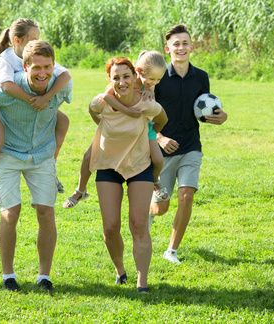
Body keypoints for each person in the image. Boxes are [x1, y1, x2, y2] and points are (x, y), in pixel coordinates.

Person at [0, 40, 73, 292]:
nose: (42, 73)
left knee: (47, 213)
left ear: (53, 66)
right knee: (10, 213)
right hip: (8, 155)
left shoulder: (61, 86)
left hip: (42, 156)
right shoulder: (8, 87)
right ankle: (8, 276)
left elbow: (63, 113)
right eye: (36, 67)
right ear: (24, 66)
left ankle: (44, 276)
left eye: (47, 67)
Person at [0, 18, 71, 209]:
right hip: (2, 103)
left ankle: (52, 164)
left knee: (63, 121)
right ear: (17, 40)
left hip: (29, 106)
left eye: (38, 39)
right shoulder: (7, 58)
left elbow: (65, 75)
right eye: (32, 39)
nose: (35, 43)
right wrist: (32, 100)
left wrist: (46, 97)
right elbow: (7, 86)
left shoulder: (37, 56)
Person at [150, 24, 228, 264]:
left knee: (186, 196)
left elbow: (205, 108)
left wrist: (220, 117)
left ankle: (171, 250)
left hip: (191, 146)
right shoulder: (159, 76)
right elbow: (147, 114)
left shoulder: (201, 77)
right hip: (163, 150)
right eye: (176, 44)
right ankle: (150, 211)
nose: (181, 47)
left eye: (185, 43)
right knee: (161, 208)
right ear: (168, 48)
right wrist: (160, 138)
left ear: (191, 47)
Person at [88, 55, 168, 293]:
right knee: (110, 227)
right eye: (116, 77)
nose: (122, 81)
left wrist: (149, 131)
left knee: (139, 224)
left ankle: (142, 282)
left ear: (134, 77)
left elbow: (162, 118)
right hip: (109, 165)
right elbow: (94, 112)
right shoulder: (102, 101)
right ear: (109, 80)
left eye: (126, 76)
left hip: (139, 166)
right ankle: (120, 270)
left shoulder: (147, 103)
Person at [63, 51, 168, 209]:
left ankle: (155, 180)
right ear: (138, 72)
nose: (154, 82)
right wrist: (126, 112)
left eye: (158, 79)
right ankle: (80, 190)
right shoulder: (122, 81)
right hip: (119, 125)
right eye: (152, 79)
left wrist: (149, 133)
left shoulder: (149, 87)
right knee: (88, 157)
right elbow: (106, 97)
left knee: (158, 160)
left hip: (144, 127)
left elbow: (159, 115)